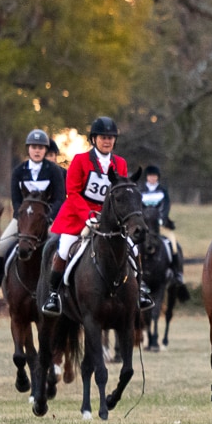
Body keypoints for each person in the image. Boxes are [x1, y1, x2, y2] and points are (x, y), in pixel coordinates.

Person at [41, 117, 147, 315]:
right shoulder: (80, 160)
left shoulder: (120, 163)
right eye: (103, 137)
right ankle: (53, 295)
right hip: (79, 214)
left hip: (111, 218)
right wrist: (87, 215)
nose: (107, 141)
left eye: (110, 138)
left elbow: (123, 195)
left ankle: (140, 289)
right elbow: (72, 193)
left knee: (133, 247)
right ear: (94, 139)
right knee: (64, 248)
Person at [0, 129, 67, 299]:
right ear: (28, 149)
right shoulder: (19, 171)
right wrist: (22, 218)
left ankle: (62, 292)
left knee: (61, 249)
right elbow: (16, 200)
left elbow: (59, 198)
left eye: (41, 147)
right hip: (24, 219)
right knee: (0, 248)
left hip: (50, 219)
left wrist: (49, 218)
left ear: (45, 150)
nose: (37, 150)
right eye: (34, 147)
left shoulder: (54, 171)